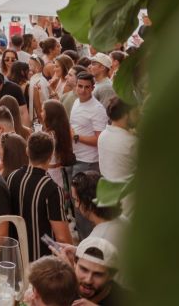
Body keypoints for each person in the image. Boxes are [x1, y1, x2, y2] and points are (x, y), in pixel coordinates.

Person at [7, 132, 73, 261]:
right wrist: (72, 261)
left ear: (27, 151)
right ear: (51, 155)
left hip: (14, 256)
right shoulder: (52, 189)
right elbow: (62, 238)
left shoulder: (12, 177)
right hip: (41, 261)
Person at [69, 73, 108, 238]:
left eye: (87, 87)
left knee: (85, 208)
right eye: (80, 86)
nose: (83, 90)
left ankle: (89, 244)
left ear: (93, 88)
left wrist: (76, 137)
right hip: (75, 158)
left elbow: (100, 138)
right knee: (77, 206)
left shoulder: (97, 109)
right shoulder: (77, 102)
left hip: (88, 162)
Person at [64, 237, 127, 306]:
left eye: (98, 274)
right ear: (75, 263)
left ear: (111, 275)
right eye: (84, 269)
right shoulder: (61, 289)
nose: (88, 280)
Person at [70, 171, 126, 247]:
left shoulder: (93, 242)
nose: (76, 206)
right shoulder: (124, 220)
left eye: (76, 200)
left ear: (88, 203)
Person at [97, 98, 137, 183]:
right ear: (126, 115)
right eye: (135, 113)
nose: (138, 116)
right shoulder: (132, 142)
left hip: (108, 191)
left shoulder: (103, 135)